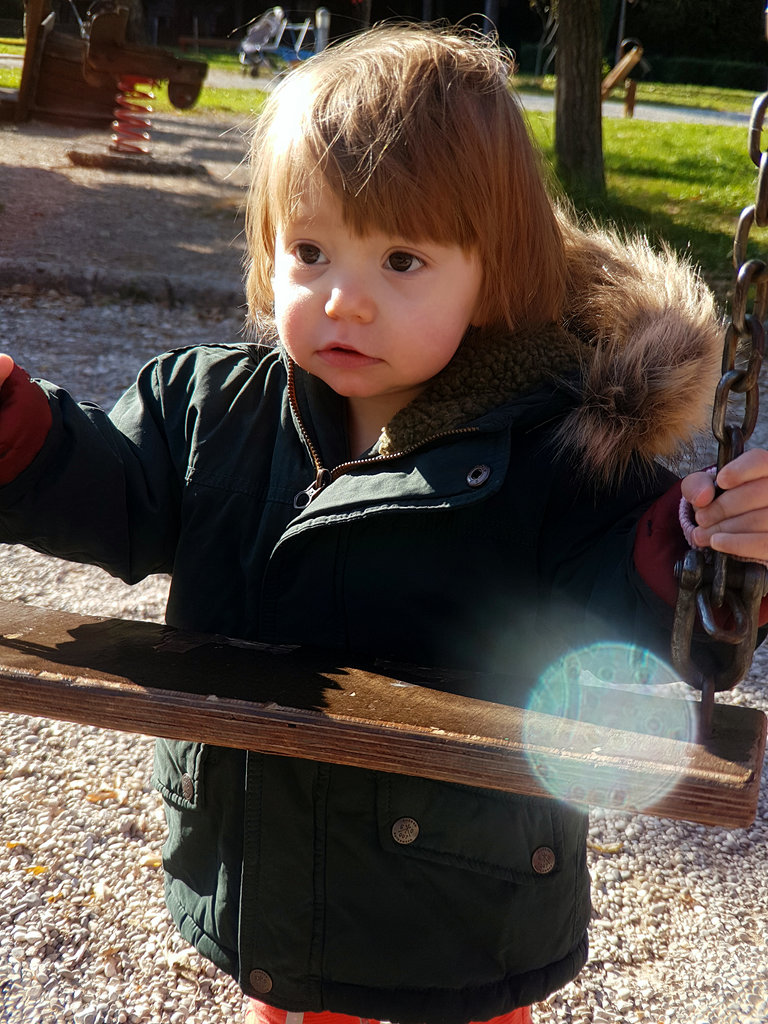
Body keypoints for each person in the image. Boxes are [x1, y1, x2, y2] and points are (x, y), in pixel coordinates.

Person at [1, 22, 768, 1024]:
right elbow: (108, 490)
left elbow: (631, 618)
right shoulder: (211, 409)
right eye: (310, 251)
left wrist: (713, 549)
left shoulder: (560, 458)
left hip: (458, 920)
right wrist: (15, 427)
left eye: (401, 260)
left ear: (493, 275)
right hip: (269, 892)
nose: (343, 299)